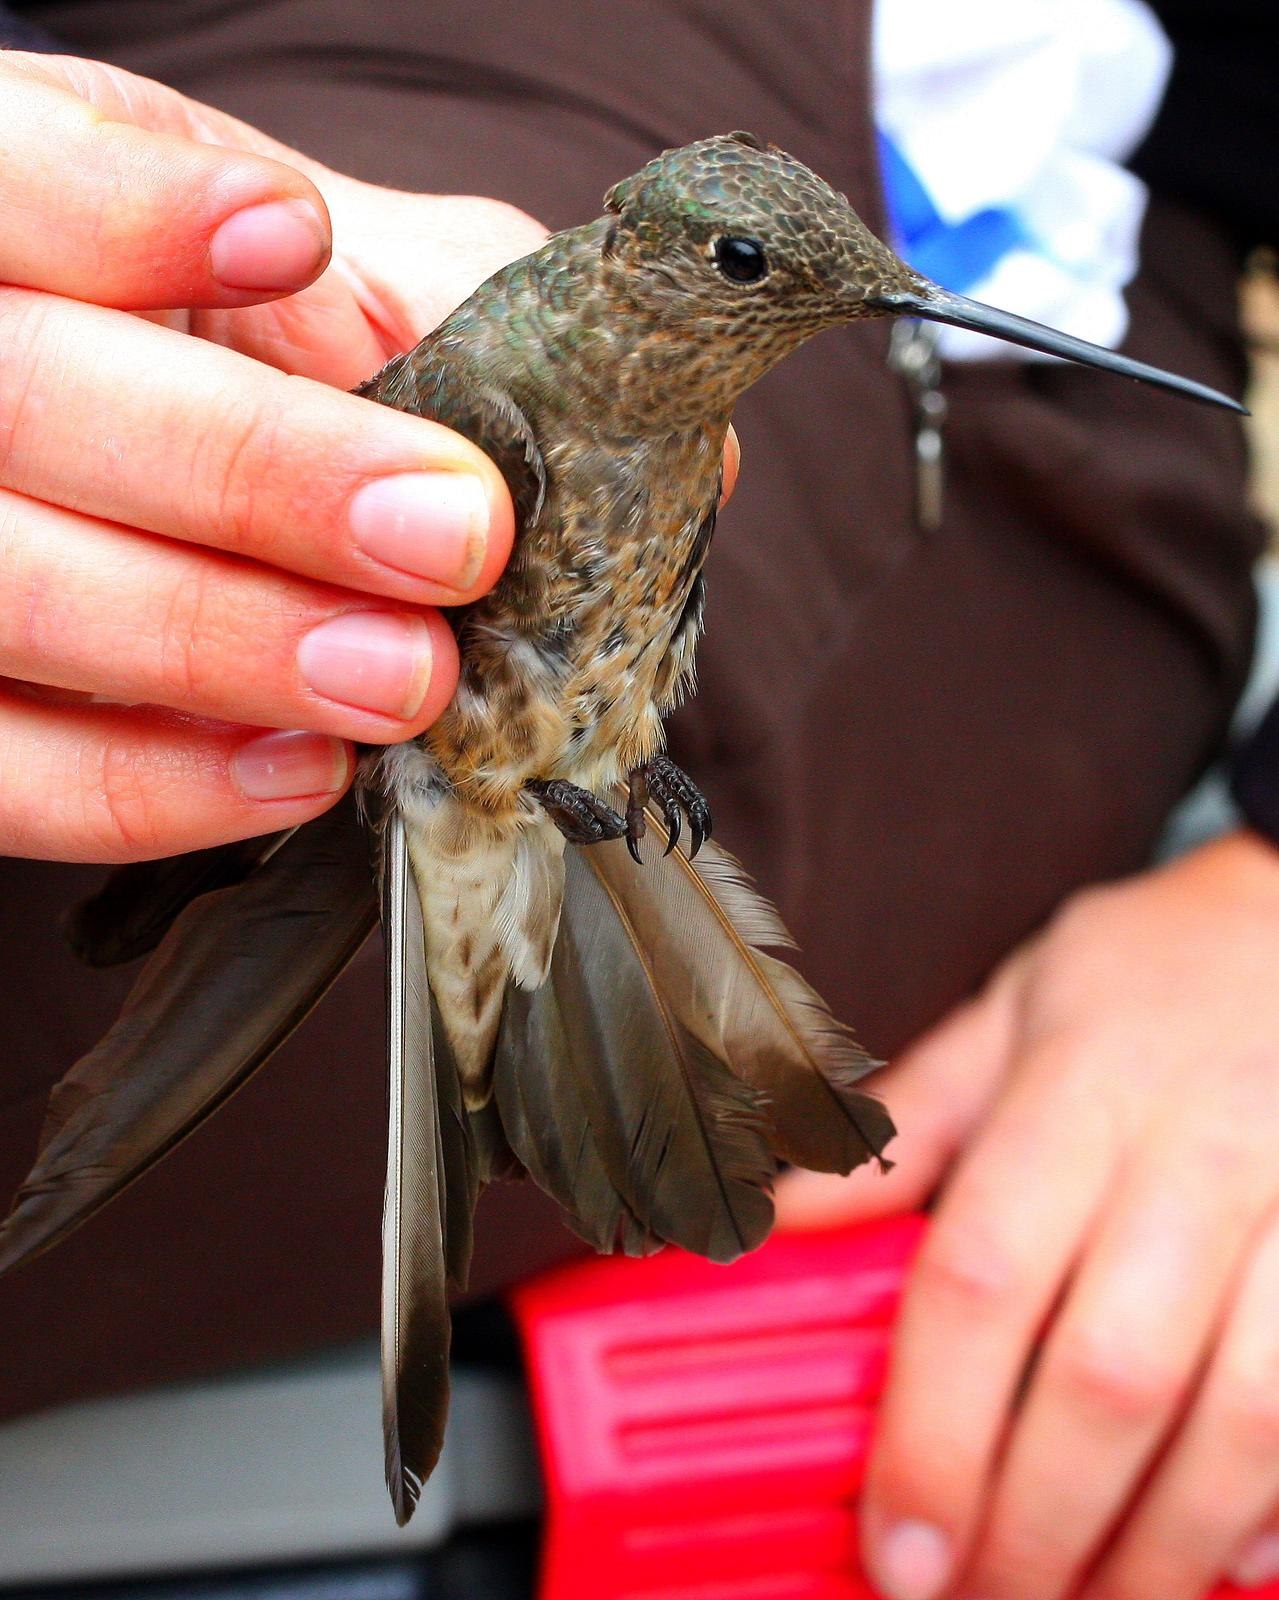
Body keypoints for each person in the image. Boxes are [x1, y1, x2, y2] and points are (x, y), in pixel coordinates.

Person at [0, 4, 1270, 1598]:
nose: (799, 307)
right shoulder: (514, 372)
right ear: (638, 260)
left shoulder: (701, 388)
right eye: (752, 274)